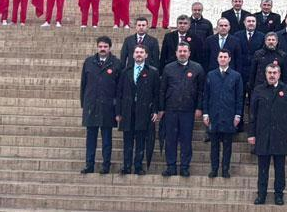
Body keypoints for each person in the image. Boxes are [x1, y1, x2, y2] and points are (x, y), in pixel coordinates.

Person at [249, 63, 287, 205]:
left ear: (279, 74)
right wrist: (251, 134)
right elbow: (253, 114)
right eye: (269, 72)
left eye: (275, 72)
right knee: (262, 168)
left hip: (280, 134)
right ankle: (261, 195)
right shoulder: (258, 90)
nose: (272, 75)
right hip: (263, 134)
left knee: (280, 168)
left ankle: (279, 195)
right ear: (265, 74)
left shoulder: (286, 90)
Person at [159, 42, 205, 177]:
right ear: (176, 53)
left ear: (189, 53)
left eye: (185, 51)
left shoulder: (197, 68)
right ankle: (171, 166)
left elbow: (201, 90)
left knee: (186, 139)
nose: (182, 53)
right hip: (171, 109)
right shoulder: (168, 68)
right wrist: (161, 108)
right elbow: (162, 90)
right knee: (170, 139)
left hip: (188, 110)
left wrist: (199, 107)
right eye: (180, 51)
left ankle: (184, 166)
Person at [79, 36, 122, 174]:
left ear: (110, 48)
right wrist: (84, 104)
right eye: (100, 46)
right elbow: (83, 84)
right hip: (91, 105)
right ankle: (89, 164)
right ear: (97, 47)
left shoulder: (116, 63)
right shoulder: (89, 62)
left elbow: (119, 88)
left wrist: (117, 109)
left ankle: (106, 165)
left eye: (105, 47)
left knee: (107, 138)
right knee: (90, 138)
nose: (102, 49)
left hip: (108, 106)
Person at [115, 44, 160, 175]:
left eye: (141, 52)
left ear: (146, 55)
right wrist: (118, 112)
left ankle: (138, 166)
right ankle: (127, 166)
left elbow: (156, 93)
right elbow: (119, 93)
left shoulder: (153, 72)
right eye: (137, 52)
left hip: (144, 111)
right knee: (127, 140)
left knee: (141, 140)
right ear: (133, 55)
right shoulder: (125, 71)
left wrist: (155, 111)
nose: (139, 54)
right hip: (127, 110)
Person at [202, 49, 243, 178]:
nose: (223, 59)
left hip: (229, 115)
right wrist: (205, 113)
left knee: (227, 146)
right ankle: (214, 169)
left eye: (225, 57)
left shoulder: (236, 76)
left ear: (229, 59)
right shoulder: (211, 75)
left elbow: (239, 97)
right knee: (214, 145)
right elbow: (206, 96)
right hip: (214, 114)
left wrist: (238, 115)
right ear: (217, 59)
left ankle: (225, 169)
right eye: (221, 57)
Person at [234, 15, 265, 92]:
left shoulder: (262, 36)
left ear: (256, 23)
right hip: (240, 70)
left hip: (255, 71)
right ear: (244, 23)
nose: (251, 23)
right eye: (248, 21)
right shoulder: (237, 35)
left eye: (253, 21)